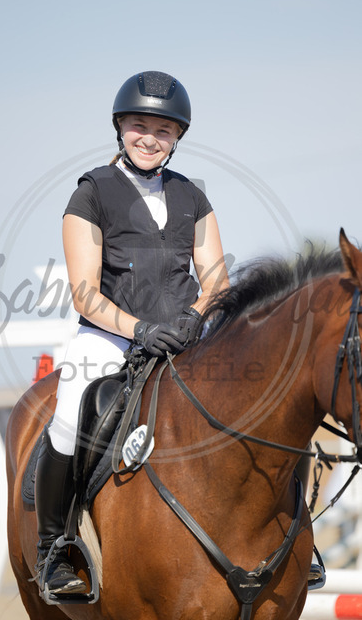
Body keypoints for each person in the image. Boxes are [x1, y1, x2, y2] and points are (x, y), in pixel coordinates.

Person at [34, 70, 230, 597]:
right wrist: (141, 329)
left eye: (164, 130)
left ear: (178, 137)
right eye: (140, 126)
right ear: (120, 127)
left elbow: (216, 279)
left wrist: (193, 317)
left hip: (186, 335)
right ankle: (53, 549)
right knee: (70, 415)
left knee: (259, 395)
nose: (150, 138)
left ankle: (295, 535)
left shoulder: (192, 196)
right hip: (111, 336)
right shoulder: (91, 193)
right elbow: (85, 294)